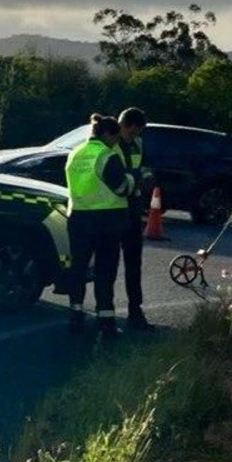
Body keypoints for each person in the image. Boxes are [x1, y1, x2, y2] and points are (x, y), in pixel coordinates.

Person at [64, 114, 135, 337]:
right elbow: (122, 188)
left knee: (79, 268)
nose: (116, 142)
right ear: (107, 135)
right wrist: (134, 180)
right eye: (115, 138)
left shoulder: (75, 153)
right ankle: (106, 322)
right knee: (105, 271)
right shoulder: (106, 155)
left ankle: (75, 315)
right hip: (106, 221)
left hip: (78, 217)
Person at [117, 107, 156, 332]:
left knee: (134, 264)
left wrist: (147, 179)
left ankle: (135, 310)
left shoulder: (138, 144)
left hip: (132, 210)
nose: (134, 136)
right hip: (113, 211)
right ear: (125, 125)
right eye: (132, 132)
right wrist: (135, 179)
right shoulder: (110, 145)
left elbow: (145, 168)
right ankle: (106, 315)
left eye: (138, 132)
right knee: (107, 266)